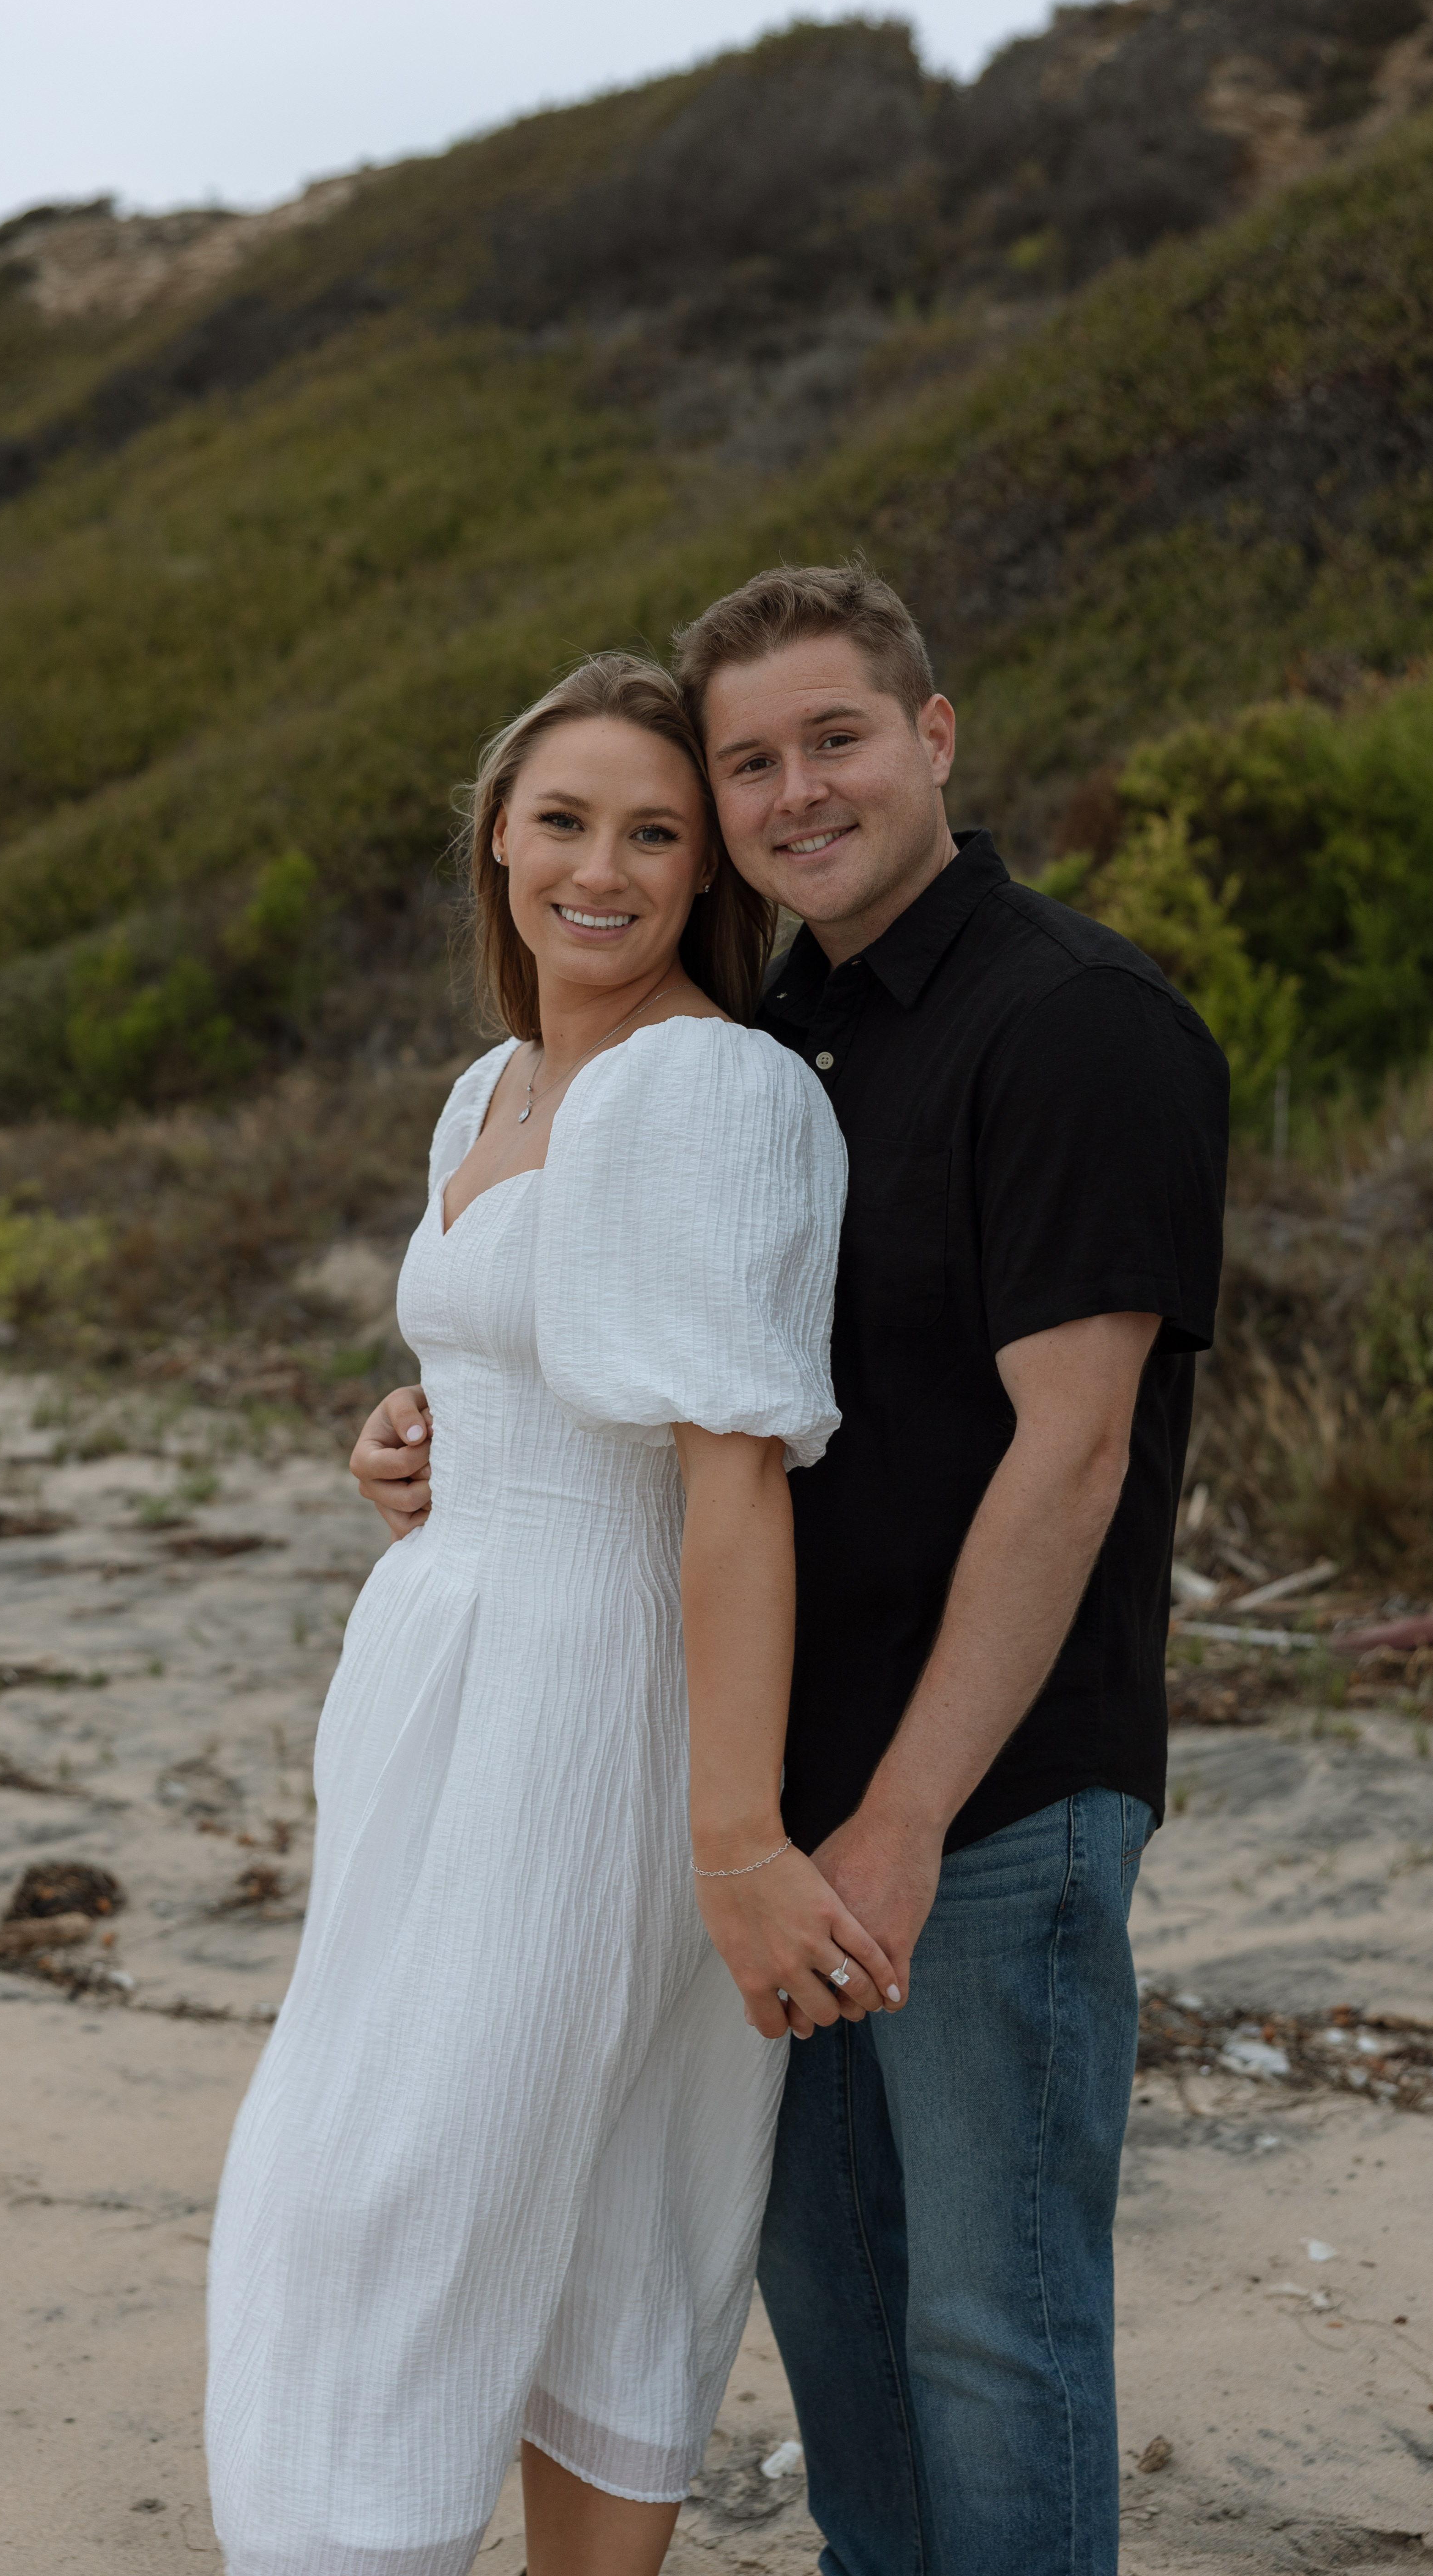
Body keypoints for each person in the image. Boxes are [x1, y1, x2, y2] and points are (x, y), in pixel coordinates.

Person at [352, 564, 1229, 2576]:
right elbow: (676, 1387)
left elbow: (1075, 1456)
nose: (795, 791)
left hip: (986, 1798)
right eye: (749, 763)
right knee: (834, 2311)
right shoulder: (766, 1040)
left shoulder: (1076, 1026)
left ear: (935, 735)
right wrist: (440, 1431)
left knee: (991, 2325)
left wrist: (904, 1818)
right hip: (764, 1796)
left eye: (836, 738)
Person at [208, 652, 899, 2576]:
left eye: (654, 835)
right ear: (497, 840)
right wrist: (411, 1434)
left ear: (706, 876)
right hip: (437, 1676)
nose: (601, 870)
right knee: (530, 2190)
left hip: (595, 1700)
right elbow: (531, 1357)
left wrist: (737, 1837)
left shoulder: (709, 1085)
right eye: (565, 822)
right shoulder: (492, 1087)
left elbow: (734, 1479)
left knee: (410, 2187)